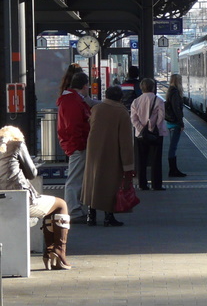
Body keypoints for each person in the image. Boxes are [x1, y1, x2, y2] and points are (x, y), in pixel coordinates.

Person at [0, 125, 72, 270]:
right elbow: (32, 173)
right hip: (21, 200)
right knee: (60, 205)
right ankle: (57, 252)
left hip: (2, 203)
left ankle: (52, 252)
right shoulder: (17, 144)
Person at [81, 86, 135, 227]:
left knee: (93, 183)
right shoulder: (121, 112)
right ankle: (108, 216)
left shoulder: (96, 109)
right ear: (120, 97)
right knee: (110, 184)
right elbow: (126, 141)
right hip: (112, 154)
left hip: (93, 152)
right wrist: (128, 164)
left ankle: (90, 216)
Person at [57, 70, 91, 223]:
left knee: (76, 177)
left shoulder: (70, 99)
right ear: (85, 85)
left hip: (75, 143)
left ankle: (75, 208)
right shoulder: (73, 101)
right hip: (76, 144)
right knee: (75, 178)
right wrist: (79, 144)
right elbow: (74, 126)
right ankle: (73, 211)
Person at [130, 78, 166, 191]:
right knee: (156, 159)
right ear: (153, 87)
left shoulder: (136, 101)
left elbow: (133, 119)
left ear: (141, 88)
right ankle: (156, 184)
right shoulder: (158, 101)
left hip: (140, 135)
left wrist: (141, 129)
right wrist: (152, 127)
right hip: (156, 134)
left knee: (141, 159)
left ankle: (142, 184)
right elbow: (161, 117)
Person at [165, 73, 187, 178]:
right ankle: (173, 170)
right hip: (175, 123)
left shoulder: (170, 91)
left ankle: (173, 169)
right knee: (173, 147)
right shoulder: (175, 93)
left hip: (171, 123)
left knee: (173, 146)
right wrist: (181, 123)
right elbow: (176, 109)